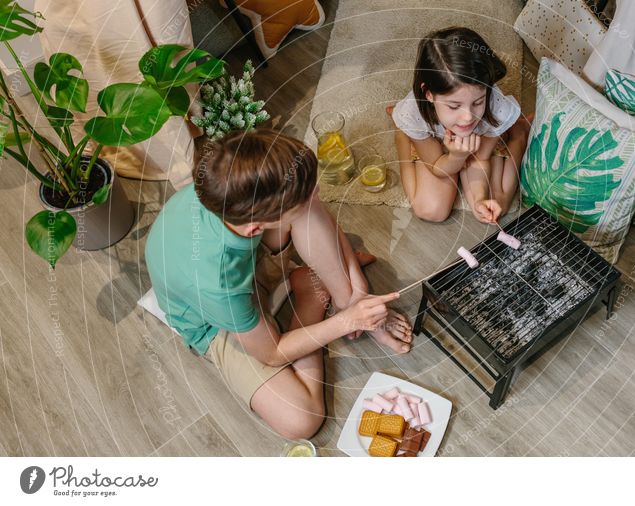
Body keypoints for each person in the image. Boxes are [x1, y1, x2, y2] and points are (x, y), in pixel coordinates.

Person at [145, 129, 412, 439]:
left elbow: (312, 206)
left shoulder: (227, 183)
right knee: (303, 420)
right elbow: (271, 353)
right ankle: (311, 298)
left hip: (246, 261)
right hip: (217, 323)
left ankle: (340, 296)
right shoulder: (216, 283)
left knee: (305, 199)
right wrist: (347, 322)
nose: (318, 194)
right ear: (255, 227)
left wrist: (357, 294)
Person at [390, 26, 530, 224]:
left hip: (479, 142)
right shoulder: (415, 113)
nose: (468, 118)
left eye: (478, 102)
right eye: (454, 106)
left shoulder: (495, 108)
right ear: (429, 94)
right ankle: (402, 135)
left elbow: (480, 158)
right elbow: (438, 167)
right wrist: (457, 156)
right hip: (435, 140)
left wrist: (480, 198)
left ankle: (519, 133)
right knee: (430, 210)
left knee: (495, 207)